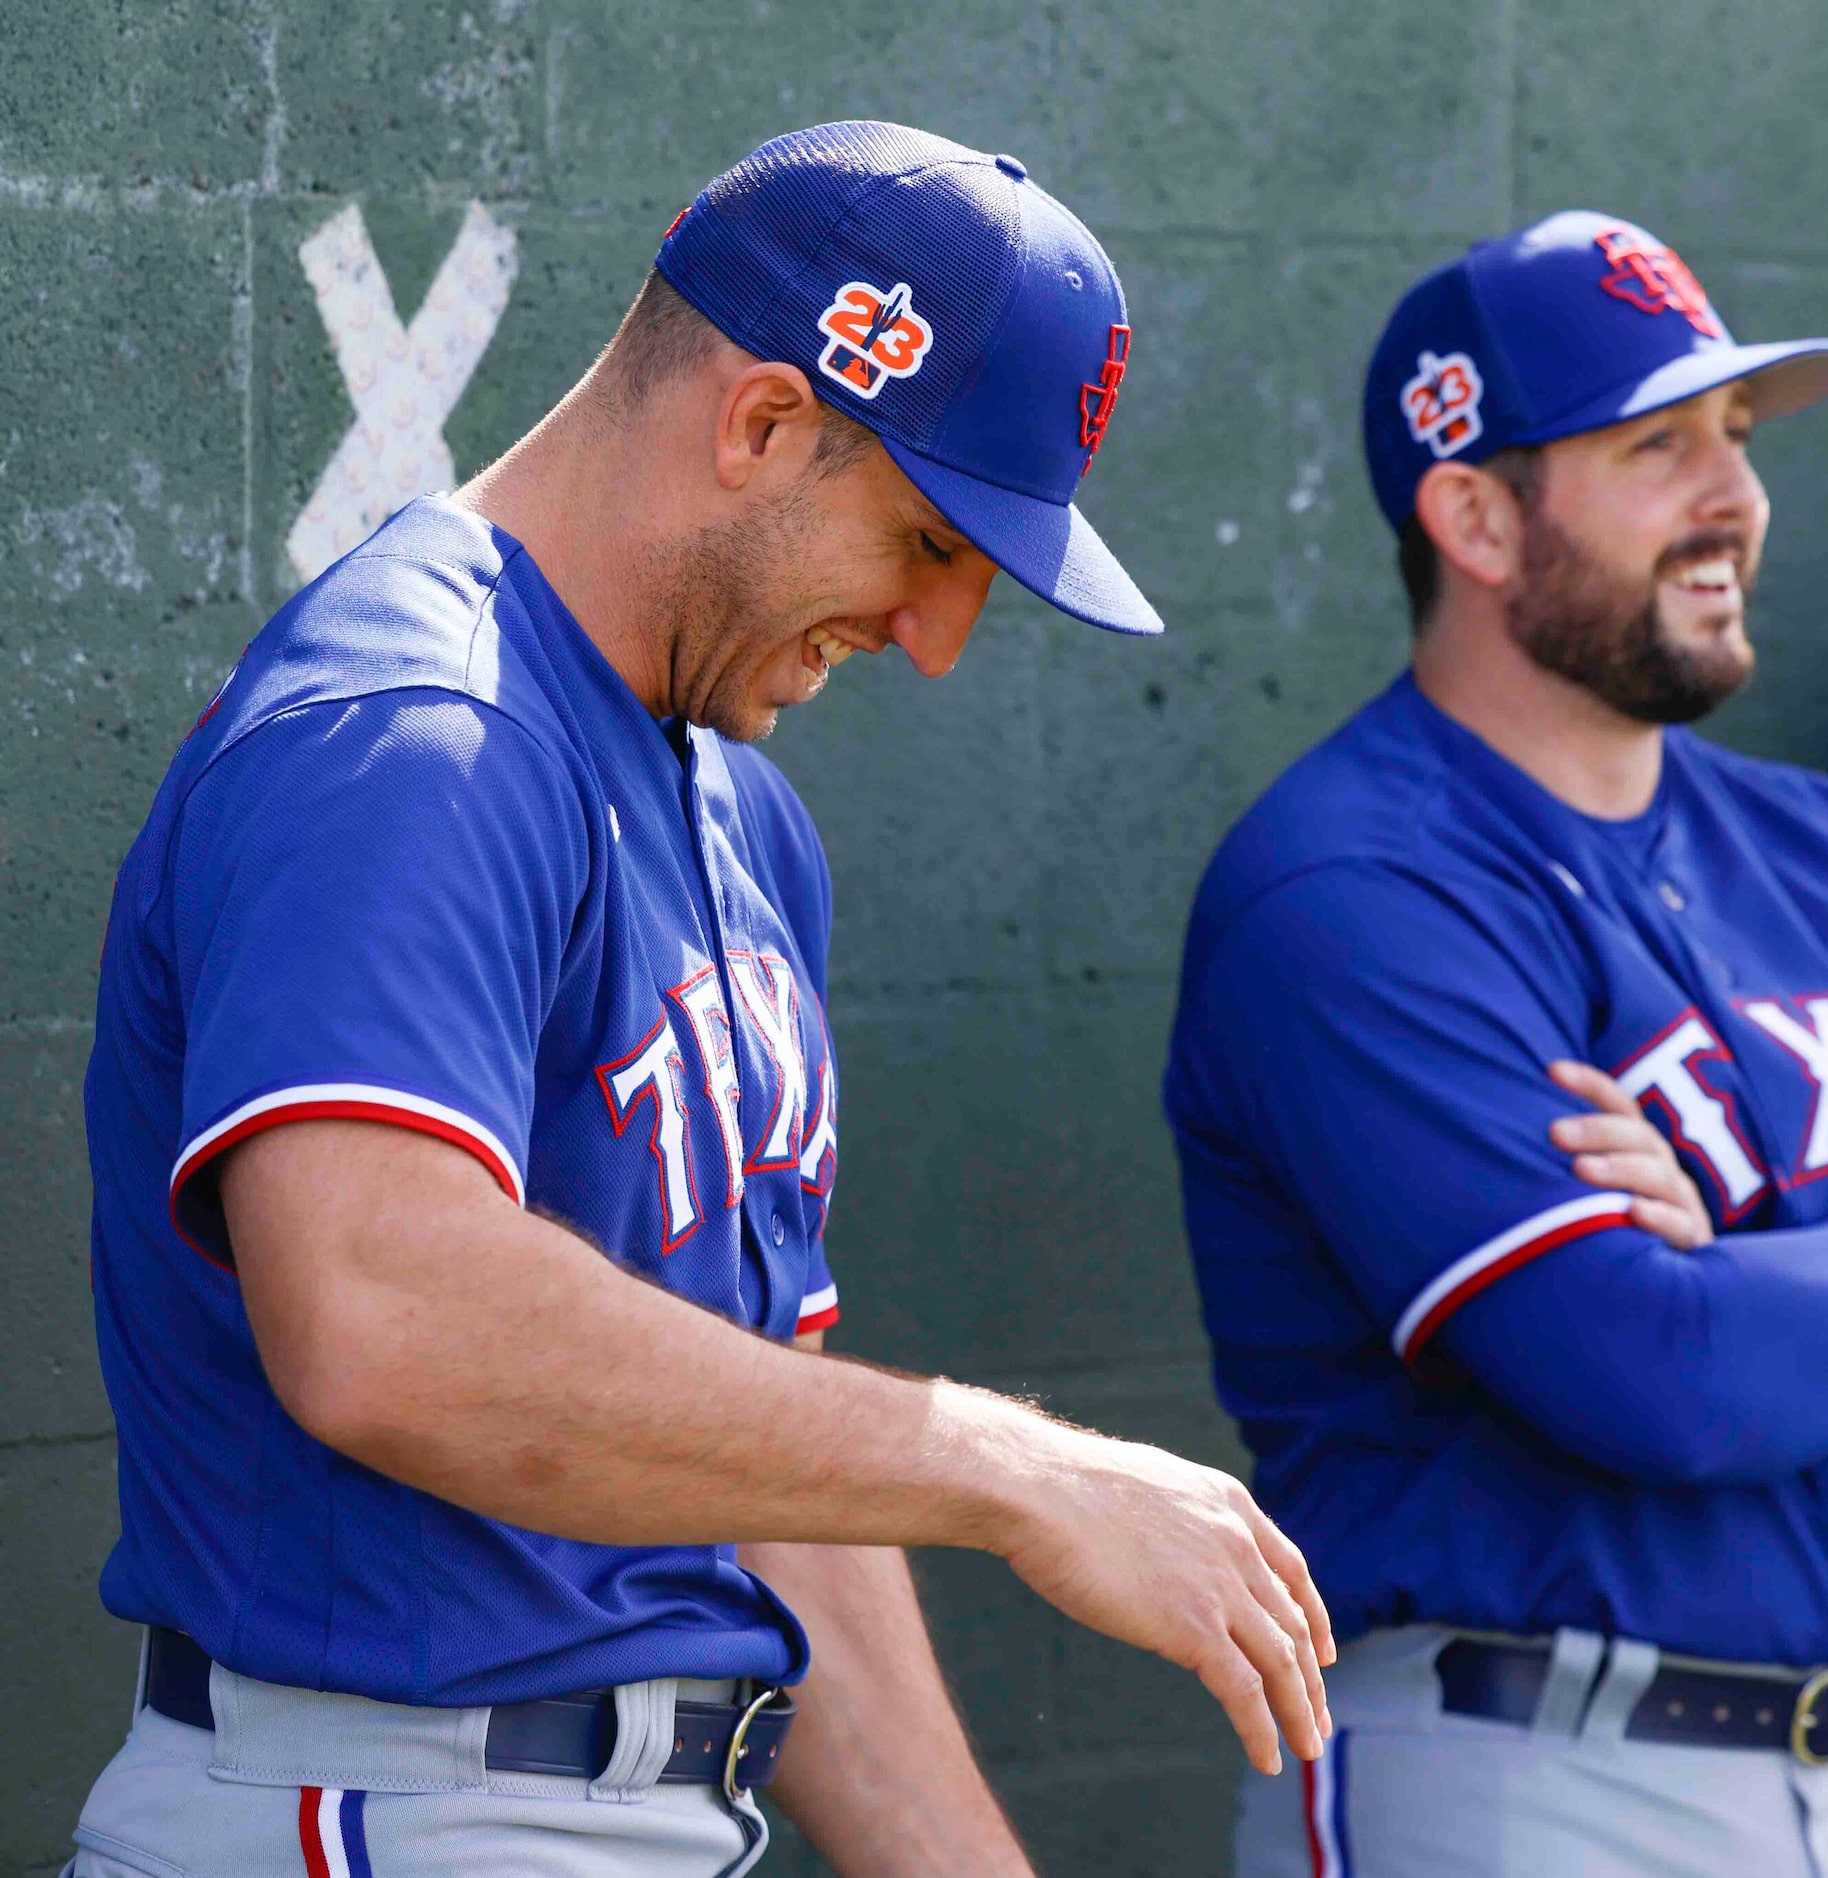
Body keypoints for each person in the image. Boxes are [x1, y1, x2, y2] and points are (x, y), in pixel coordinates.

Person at [71, 122, 1332, 1878]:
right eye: (927, 539)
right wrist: (1014, 1466)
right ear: (760, 422)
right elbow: (383, 1313)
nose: (940, 633)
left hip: (642, 1811)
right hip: (386, 1799)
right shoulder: (421, 731)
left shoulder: (739, 808)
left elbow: (764, 1455)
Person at [1164, 211, 1828, 1878]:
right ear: (1475, 515)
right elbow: (1663, 1384)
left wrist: (1745, 1272)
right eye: (1657, 447)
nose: (1734, 499)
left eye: (1739, 439)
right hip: (1523, 1772)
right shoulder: (1351, 891)